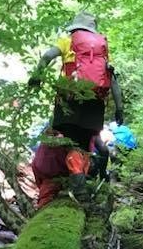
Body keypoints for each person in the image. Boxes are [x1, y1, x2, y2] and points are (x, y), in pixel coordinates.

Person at [28, 11, 124, 152]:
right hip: (95, 102)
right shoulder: (101, 49)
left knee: (68, 140)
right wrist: (119, 109)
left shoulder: (68, 40)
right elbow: (113, 81)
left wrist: (36, 77)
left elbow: (47, 56)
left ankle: (72, 172)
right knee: (84, 145)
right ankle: (81, 172)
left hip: (69, 98)